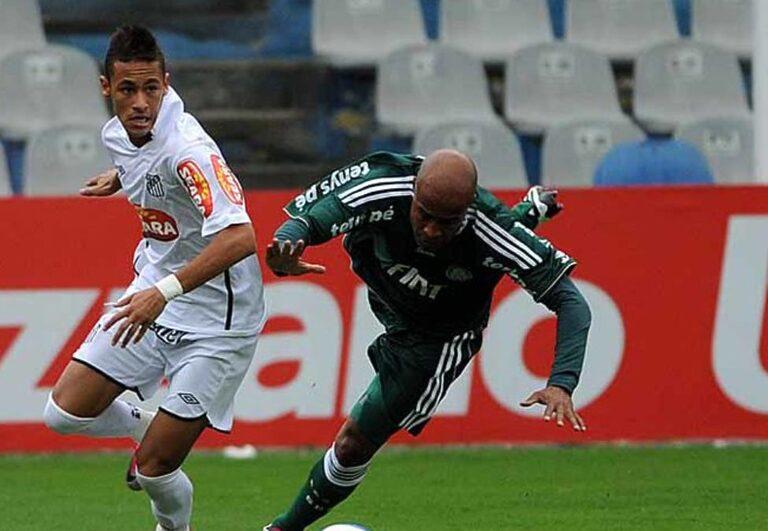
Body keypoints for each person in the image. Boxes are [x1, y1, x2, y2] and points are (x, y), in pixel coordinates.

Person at [262, 150, 591, 531]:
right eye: (425, 215)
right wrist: (287, 244)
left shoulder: (491, 229)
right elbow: (314, 216)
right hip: (386, 289)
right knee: (481, 242)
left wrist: (561, 382)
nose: (432, 230)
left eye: (447, 222)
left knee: (353, 444)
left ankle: (282, 528)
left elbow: (572, 303)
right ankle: (530, 211)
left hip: (436, 338)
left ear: (467, 212)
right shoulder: (385, 184)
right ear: (414, 194)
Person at [42, 26, 266, 531]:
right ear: (107, 88)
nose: (140, 102)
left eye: (151, 89)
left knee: (154, 470)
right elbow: (145, 155)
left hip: (217, 325)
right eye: (127, 90)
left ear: (167, 83)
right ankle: (148, 426)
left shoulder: (192, 152)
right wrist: (122, 175)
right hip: (157, 292)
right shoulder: (119, 135)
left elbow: (241, 238)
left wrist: (160, 295)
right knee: (62, 414)